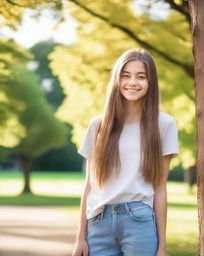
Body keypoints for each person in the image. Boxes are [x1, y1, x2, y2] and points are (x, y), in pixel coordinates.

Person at [72, 48, 179, 256]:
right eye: (125, 76)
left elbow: (161, 188)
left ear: (151, 82)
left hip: (140, 222)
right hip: (98, 222)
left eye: (141, 77)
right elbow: (88, 186)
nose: (132, 82)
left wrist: (162, 248)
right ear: (117, 80)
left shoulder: (164, 124)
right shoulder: (98, 125)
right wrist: (80, 238)